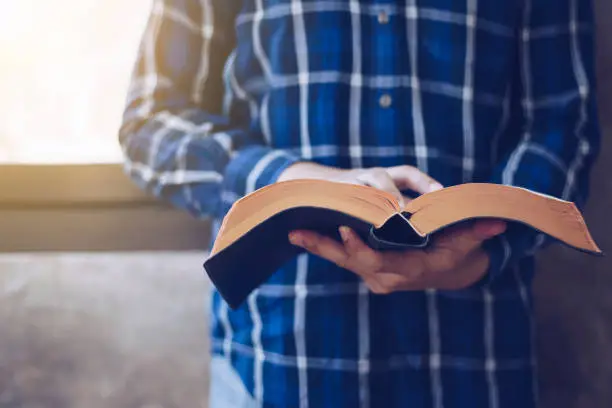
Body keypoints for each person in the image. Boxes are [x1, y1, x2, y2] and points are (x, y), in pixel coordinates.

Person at [118, 0, 601, 407]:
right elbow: (152, 123)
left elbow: (564, 126)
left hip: (476, 355)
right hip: (274, 365)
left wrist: (485, 249)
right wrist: (297, 183)